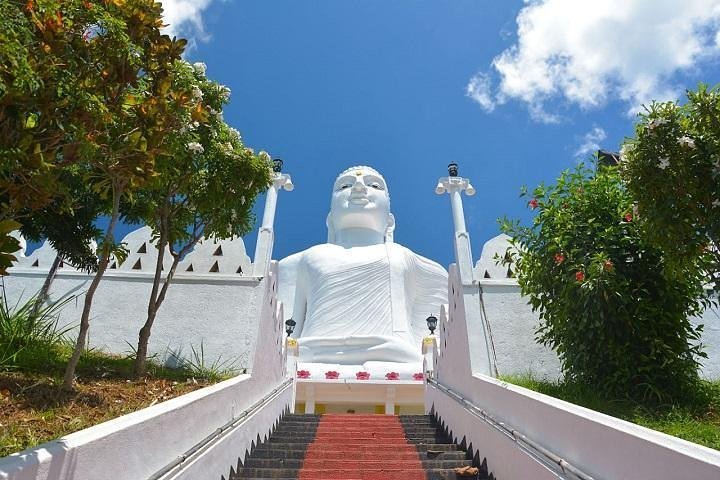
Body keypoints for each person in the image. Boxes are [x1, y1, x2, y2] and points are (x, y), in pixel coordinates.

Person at [278, 166, 447, 379]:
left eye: (374, 185)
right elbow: (286, 330)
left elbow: (433, 329)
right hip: (312, 355)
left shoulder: (405, 257)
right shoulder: (303, 259)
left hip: (395, 357)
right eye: (345, 185)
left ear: (390, 221)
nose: (358, 187)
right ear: (330, 220)